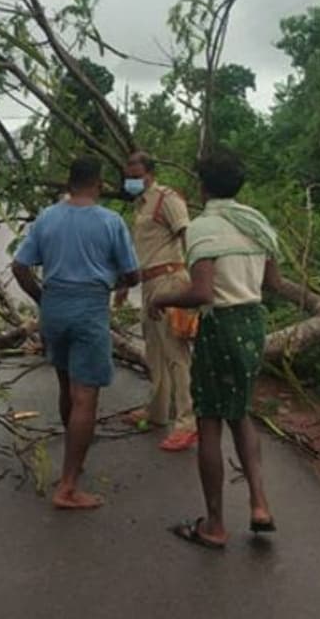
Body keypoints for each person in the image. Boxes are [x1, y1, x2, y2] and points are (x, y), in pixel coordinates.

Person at [148, 148, 280, 549]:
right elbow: (272, 283)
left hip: (220, 326)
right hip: (252, 324)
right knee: (240, 412)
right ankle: (259, 505)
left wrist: (163, 299)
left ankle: (215, 524)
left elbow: (202, 291)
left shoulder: (204, 228)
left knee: (208, 420)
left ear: (203, 186)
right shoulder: (256, 222)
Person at [12, 155, 140, 510]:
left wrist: (43, 298)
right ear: (98, 183)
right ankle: (68, 485)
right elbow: (133, 275)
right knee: (86, 397)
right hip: (88, 309)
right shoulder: (110, 222)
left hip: (54, 307)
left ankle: (73, 458)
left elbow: (20, 266)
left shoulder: (47, 217)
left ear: (69, 183)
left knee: (66, 384)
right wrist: (117, 280)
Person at [116, 151, 198, 452]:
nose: (132, 180)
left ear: (150, 173)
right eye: (129, 176)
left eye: (136, 175)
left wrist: (195, 283)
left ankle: (187, 421)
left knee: (176, 353)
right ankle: (157, 410)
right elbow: (143, 249)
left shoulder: (167, 199)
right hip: (149, 283)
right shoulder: (142, 204)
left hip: (170, 281)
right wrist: (126, 285)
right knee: (154, 349)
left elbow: (187, 235)